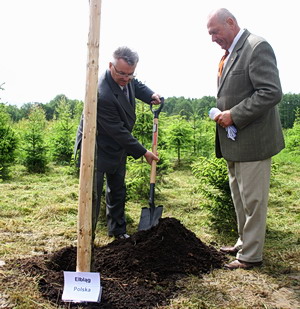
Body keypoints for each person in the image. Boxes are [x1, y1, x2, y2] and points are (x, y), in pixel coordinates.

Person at [207, 8, 285, 270]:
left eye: (215, 32)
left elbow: (271, 92)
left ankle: (251, 256)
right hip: (234, 141)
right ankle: (244, 242)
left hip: (253, 141)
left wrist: (234, 114)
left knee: (253, 200)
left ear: (230, 23)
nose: (213, 38)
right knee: (240, 198)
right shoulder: (229, 56)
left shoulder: (256, 47)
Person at [74, 46, 161, 240]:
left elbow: (135, 85)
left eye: (130, 74)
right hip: (95, 147)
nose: (126, 78)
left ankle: (118, 231)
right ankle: (88, 237)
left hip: (116, 145)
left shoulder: (126, 78)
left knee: (117, 189)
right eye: (121, 73)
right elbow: (118, 131)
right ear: (110, 66)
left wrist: (150, 95)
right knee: (93, 195)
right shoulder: (102, 93)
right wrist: (143, 152)